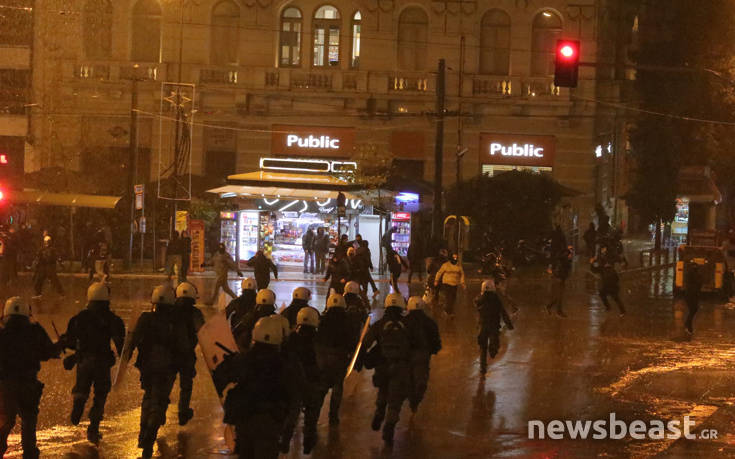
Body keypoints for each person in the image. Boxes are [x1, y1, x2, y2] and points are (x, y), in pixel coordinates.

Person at [219, 315, 300, 459]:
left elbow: (221, 378)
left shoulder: (243, 360)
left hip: (244, 419)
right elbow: (297, 396)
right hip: (270, 423)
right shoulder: (285, 365)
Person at [124, 285, 189, 459]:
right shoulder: (176, 322)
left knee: (148, 396)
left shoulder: (146, 318)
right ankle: (150, 431)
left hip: (147, 366)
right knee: (159, 400)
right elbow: (183, 347)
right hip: (167, 367)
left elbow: (133, 340)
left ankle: (142, 432)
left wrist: (127, 356)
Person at [59, 282, 125, 444]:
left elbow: (70, 341)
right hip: (102, 362)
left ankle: (78, 405)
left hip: (84, 361)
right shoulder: (112, 319)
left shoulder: (79, 318)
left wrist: (65, 342)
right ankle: (93, 427)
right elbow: (121, 345)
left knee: (82, 388)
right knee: (100, 395)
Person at [0, 297, 60, 459]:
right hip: (28, 383)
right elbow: (48, 352)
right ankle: (30, 454)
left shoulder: (1, 332)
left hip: (6, 385)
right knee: (28, 421)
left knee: (5, 421)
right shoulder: (35, 331)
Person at [361, 293, 411, 446]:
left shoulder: (379, 324)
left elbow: (366, 342)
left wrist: (360, 359)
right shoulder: (408, 324)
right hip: (401, 366)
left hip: (382, 365)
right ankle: (389, 424)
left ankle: (379, 411)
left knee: (383, 391)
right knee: (396, 399)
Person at [280, 306, 321, 455]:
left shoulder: (291, 338)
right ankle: (309, 439)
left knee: (292, 411)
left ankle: (285, 440)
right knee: (312, 410)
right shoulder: (318, 339)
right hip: (310, 380)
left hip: (293, 380)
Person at [315, 293, 357, 426]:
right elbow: (352, 340)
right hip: (340, 357)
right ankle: (333, 416)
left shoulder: (322, 319)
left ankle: (314, 415)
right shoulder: (348, 320)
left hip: (322, 357)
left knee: (321, 387)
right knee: (337, 386)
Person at [173, 281, 205, 426]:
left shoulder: (169, 310)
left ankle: (157, 409)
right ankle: (182, 412)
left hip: (170, 354)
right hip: (187, 355)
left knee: (165, 383)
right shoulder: (195, 313)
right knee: (186, 385)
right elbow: (202, 332)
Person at [404, 296, 441, 413]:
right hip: (423, 354)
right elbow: (435, 340)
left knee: (409, 377)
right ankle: (417, 399)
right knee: (421, 379)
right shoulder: (429, 322)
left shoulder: (404, 321)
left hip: (407, 355)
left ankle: (411, 399)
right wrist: (434, 349)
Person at [475, 280, 514, 375]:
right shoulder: (496, 299)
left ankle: (482, 368)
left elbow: (477, 304)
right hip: (493, 326)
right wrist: (509, 324)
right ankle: (493, 351)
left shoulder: (479, 299)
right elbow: (503, 312)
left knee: (483, 347)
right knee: (494, 343)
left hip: (482, 325)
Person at [590, 246, 626, 316]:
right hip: (607, 286)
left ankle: (622, 311)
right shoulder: (603, 267)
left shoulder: (609, 260)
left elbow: (616, 278)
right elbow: (594, 270)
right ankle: (609, 308)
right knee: (604, 295)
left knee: (616, 298)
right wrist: (592, 263)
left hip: (612, 286)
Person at [434, 252, 466, 317]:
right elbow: (439, 272)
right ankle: (448, 311)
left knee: (453, 298)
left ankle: (449, 310)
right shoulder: (445, 265)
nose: (455, 259)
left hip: (455, 284)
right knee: (449, 297)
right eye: (454, 257)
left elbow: (462, 274)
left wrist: (462, 283)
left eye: (456, 257)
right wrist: (436, 280)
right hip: (447, 283)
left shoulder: (459, 266)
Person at [545, 247, 573, 317]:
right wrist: (552, 272)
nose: (571, 255)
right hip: (558, 279)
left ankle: (549, 306)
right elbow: (558, 271)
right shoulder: (562, 263)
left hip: (562, 279)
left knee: (559, 296)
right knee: (559, 296)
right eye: (569, 254)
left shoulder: (566, 262)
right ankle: (558, 311)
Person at [683, 261, 703, 335]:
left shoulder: (691, 274)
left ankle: (688, 325)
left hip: (691, 294)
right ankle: (688, 326)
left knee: (693, 310)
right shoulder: (693, 274)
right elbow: (698, 283)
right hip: (692, 295)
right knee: (693, 310)